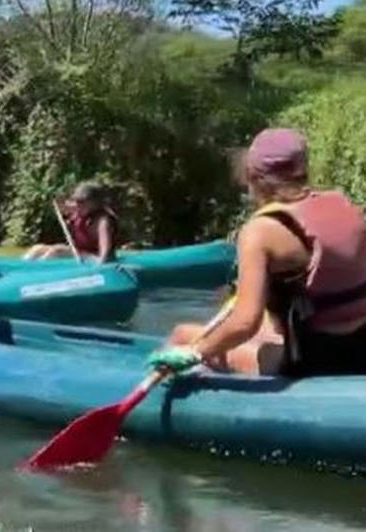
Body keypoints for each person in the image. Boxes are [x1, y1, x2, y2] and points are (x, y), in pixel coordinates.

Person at [148, 128, 366, 377]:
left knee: (182, 334)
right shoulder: (344, 206)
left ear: (252, 176)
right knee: (261, 323)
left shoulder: (259, 232)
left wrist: (195, 352)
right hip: (360, 345)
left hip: (316, 360)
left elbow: (244, 323)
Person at [22, 181, 118, 263]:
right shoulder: (80, 210)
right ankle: (22, 269)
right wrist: (56, 200)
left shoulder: (102, 221)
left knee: (56, 252)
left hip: (94, 257)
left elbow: (105, 252)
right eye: (77, 201)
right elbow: (64, 206)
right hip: (80, 252)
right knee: (37, 249)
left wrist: (100, 265)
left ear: (94, 203)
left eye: (82, 202)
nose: (77, 205)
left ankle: (37, 273)